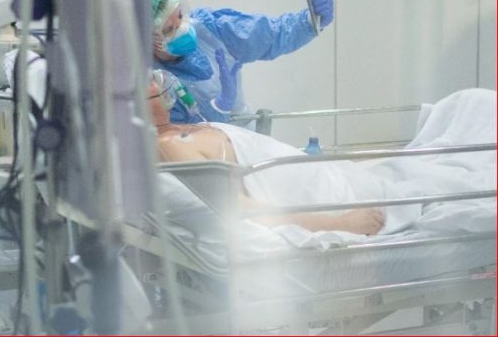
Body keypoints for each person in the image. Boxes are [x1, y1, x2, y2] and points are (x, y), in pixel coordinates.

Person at [148, 77, 385, 236]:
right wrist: (342, 225)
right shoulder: (169, 145)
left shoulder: (183, 129)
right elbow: (241, 209)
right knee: (400, 194)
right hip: (333, 202)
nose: (158, 82)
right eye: (147, 80)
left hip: (337, 179)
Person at [151, 0, 335, 125]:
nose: (183, 29)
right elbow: (174, 139)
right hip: (199, 157)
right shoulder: (149, 80)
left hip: (245, 139)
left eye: (180, 16)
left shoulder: (210, 29)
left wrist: (308, 21)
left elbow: (267, 34)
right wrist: (219, 107)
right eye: (168, 30)